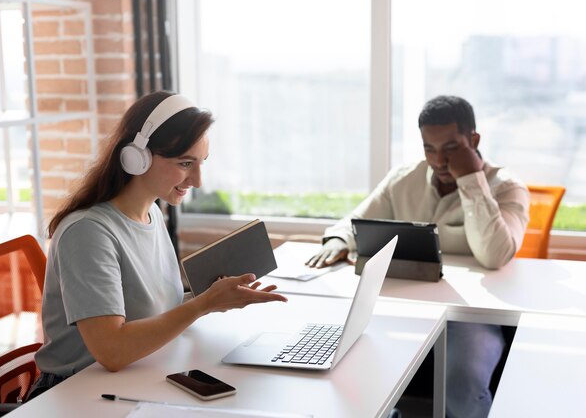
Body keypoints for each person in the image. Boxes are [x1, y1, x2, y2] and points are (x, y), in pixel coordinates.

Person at [28, 91, 287, 399]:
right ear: (137, 157)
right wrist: (202, 304)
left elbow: (151, 308)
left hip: (135, 376)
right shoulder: (88, 233)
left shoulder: (151, 212)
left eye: (201, 162)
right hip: (77, 392)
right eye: (185, 163)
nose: (198, 180)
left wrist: (216, 297)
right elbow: (112, 351)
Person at [307, 95, 529, 418]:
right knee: (350, 369)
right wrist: (339, 239)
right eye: (429, 148)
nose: (439, 161)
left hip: (471, 317)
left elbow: (495, 255)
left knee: (462, 388)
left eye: (451, 149)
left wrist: (470, 179)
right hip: (405, 308)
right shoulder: (404, 179)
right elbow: (354, 223)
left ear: (474, 140)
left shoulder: (506, 187)